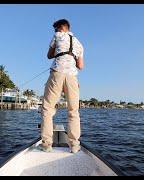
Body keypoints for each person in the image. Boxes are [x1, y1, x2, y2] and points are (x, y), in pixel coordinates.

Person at [39, 19, 84, 153]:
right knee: (73, 111)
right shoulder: (79, 44)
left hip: (57, 73)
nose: (55, 31)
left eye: (56, 29)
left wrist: (59, 52)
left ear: (61, 28)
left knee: (47, 109)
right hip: (72, 77)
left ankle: (47, 144)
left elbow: (48, 55)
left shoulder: (58, 35)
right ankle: (74, 145)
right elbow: (81, 66)